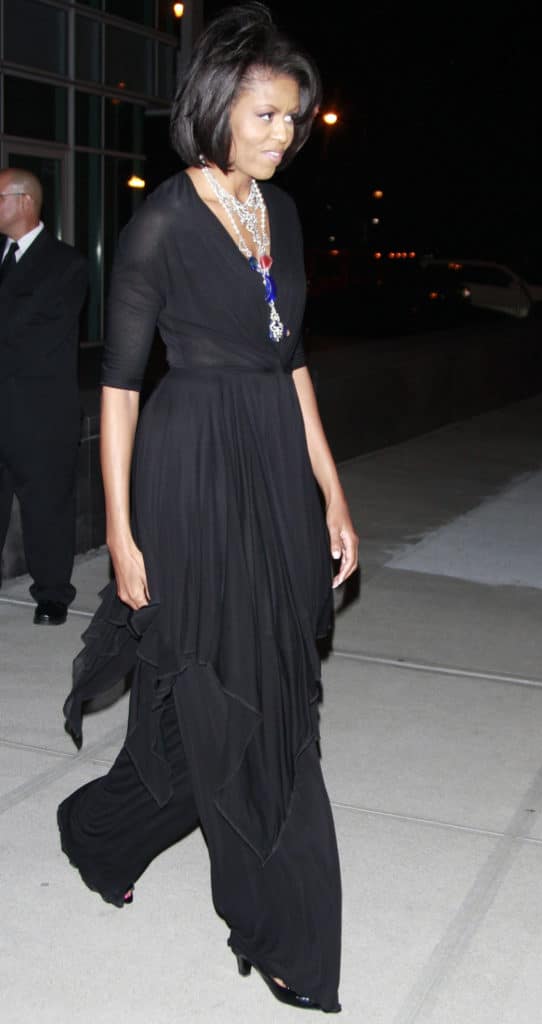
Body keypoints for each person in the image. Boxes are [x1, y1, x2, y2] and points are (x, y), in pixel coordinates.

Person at [57, 3, 358, 1013]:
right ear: (218, 106)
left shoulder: (283, 216)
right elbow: (119, 389)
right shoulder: (162, 225)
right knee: (241, 691)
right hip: (190, 470)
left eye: (294, 118)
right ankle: (282, 925)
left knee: (244, 685)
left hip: (272, 459)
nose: (285, 133)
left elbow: (291, 357)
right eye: (267, 114)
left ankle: (102, 834)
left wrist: (331, 490)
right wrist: (119, 530)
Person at [0, 168, 88, 625]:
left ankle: (52, 593)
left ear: (24, 202)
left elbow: (33, 335)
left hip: (40, 411)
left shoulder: (65, 264)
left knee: (47, 505)